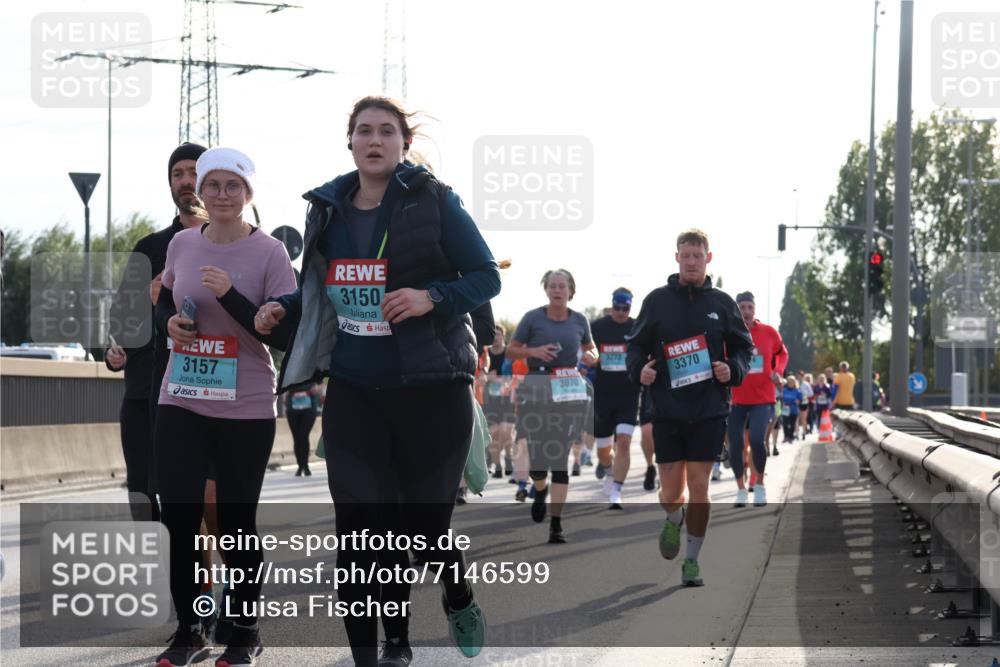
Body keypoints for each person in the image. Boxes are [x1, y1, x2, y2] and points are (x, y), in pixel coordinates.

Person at [253, 96, 499, 665]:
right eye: (364, 130)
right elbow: (324, 288)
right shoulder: (328, 208)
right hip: (357, 391)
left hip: (432, 391)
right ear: (350, 142)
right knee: (361, 530)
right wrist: (280, 310)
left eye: (387, 131)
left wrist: (430, 296)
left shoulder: (435, 200)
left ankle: (455, 586)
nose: (375, 140)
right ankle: (385, 649)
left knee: (422, 530)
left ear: (403, 144)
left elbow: (486, 276)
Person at [153, 147, 297, 667]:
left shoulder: (271, 253)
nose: (220, 194)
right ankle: (189, 630)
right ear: (200, 192)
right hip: (183, 394)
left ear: (248, 194)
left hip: (246, 399)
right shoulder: (182, 243)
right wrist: (168, 322)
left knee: (236, 521)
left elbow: (285, 331)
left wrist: (234, 295)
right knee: (180, 516)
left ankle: (244, 630)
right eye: (211, 185)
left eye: (232, 186)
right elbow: (167, 298)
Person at [626, 228, 753, 587]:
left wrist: (734, 370)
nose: (692, 262)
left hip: (710, 409)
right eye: (686, 256)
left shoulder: (722, 304)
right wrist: (641, 371)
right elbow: (635, 347)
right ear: (677, 257)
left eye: (698, 256)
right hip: (667, 408)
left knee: (700, 486)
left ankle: (692, 562)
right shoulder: (656, 301)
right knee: (670, 493)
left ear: (708, 258)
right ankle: (672, 518)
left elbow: (744, 349)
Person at [507, 269, 598, 543]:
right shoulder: (532, 318)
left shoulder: (580, 319)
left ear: (571, 290)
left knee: (559, 457)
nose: (557, 290)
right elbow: (511, 350)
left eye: (562, 286)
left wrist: (592, 356)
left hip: (567, 387)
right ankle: (539, 488)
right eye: (552, 286)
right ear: (546, 289)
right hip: (536, 384)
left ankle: (556, 524)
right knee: (536, 456)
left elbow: (590, 348)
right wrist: (533, 352)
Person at [727, 291, 787, 508]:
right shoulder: (730, 334)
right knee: (735, 444)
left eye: (749, 307)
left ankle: (760, 486)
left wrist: (777, 371)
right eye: (741, 307)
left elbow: (782, 353)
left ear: (755, 309)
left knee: (756, 440)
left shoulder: (769, 333)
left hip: (763, 398)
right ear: (737, 310)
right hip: (736, 399)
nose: (746, 312)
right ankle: (741, 489)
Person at [590, 288, 642, 508]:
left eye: (626, 308)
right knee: (603, 450)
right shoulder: (597, 327)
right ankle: (609, 469)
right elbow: (585, 350)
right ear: (611, 305)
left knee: (624, 441)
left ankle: (617, 490)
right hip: (602, 395)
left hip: (628, 394)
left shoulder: (637, 327)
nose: (621, 312)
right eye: (617, 307)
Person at [285, 381, 323, 476]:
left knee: (303, 435)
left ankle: (305, 465)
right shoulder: (289, 369)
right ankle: (300, 466)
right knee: (297, 438)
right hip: (293, 408)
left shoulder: (312, 367)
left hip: (309, 407)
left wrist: (317, 387)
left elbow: (320, 382)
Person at [781, 376, 803, 443]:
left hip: (794, 409)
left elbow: (800, 400)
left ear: (794, 382)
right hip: (785, 409)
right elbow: (781, 399)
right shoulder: (784, 390)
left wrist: (797, 401)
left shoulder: (797, 391)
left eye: (792, 381)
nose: (790, 383)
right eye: (789, 381)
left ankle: (791, 437)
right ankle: (786, 436)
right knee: (785, 423)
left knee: (792, 424)